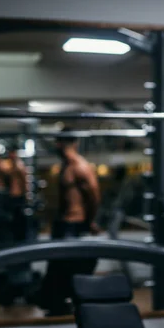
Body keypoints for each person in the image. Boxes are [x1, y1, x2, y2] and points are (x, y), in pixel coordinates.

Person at [37, 130, 101, 316]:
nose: (57, 146)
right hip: (64, 224)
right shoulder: (65, 165)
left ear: (72, 143)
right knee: (56, 273)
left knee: (71, 271)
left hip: (75, 225)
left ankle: (74, 306)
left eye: (61, 143)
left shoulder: (79, 166)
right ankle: (58, 308)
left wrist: (90, 222)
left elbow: (94, 196)